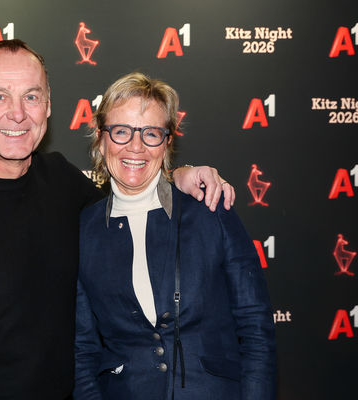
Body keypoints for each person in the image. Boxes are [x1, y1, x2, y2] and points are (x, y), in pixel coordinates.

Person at [0, 40, 235, 400]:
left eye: (31, 97)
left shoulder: (62, 180)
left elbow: (131, 202)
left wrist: (177, 177)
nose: (17, 114)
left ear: (47, 105)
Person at [74, 72, 277, 400]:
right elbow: (82, 351)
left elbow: (255, 328)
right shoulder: (85, 230)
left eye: (151, 133)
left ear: (167, 142)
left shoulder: (210, 209)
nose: (136, 146)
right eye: (121, 131)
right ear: (101, 138)